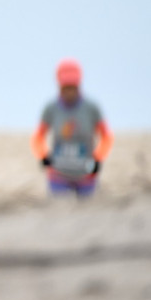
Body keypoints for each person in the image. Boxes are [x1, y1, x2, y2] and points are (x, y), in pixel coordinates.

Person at [30, 59, 114, 198]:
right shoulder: (51, 108)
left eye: (72, 87)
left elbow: (106, 136)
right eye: (65, 87)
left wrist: (98, 158)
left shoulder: (91, 108)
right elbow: (38, 136)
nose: (69, 92)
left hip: (86, 176)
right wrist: (43, 155)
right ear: (59, 85)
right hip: (58, 176)